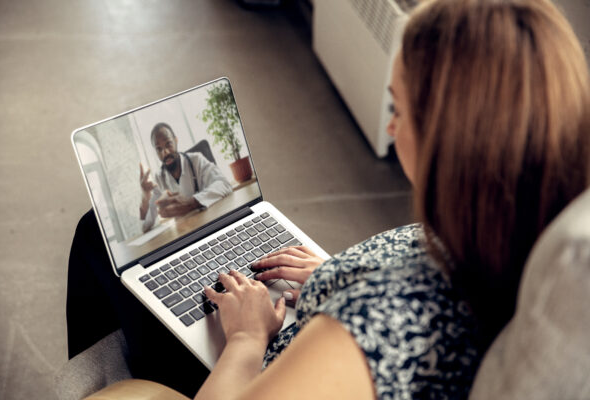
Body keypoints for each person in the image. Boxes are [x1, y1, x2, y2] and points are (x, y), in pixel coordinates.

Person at [66, 0, 590, 398]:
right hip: (298, 307)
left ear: (452, 143)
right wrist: (339, 271)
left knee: (101, 242)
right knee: (112, 240)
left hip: (250, 361)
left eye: (399, 109)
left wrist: (246, 338)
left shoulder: (371, 330)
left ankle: (113, 379)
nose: (389, 125)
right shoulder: (512, 233)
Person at [139, 122, 233, 232]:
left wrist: (191, 202)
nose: (165, 153)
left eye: (168, 144)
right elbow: (145, 227)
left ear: (176, 140)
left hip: (212, 225)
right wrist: (145, 198)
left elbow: (224, 184)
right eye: (159, 149)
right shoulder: (160, 177)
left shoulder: (196, 160)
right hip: (186, 233)